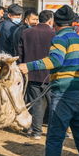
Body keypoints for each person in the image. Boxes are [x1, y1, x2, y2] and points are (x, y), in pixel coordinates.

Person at [19, 5, 79, 156]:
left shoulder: (60, 38)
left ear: (54, 23)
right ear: (72, 22)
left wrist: (29, 66)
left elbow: (55, 61)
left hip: (64, 94)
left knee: (54, 139)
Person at [18, 10, 55, 140]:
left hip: (31, 74)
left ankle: (36, 132)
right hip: (50, 75)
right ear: (50, 20)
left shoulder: (26, 33)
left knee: (37, 104)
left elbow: (20, 54)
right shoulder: (54, 34)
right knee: (53, 105)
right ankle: (54, 132)